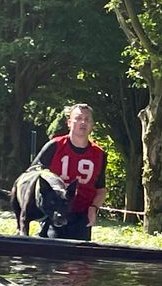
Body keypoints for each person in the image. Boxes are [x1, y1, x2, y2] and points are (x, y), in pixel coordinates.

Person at [32, 103, 108, 241]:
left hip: (81, 215)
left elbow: (101, 189)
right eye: (78, 118)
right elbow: (34, 173)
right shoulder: (54, 146)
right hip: (55, 213)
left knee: (79, 259)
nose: (83, 122)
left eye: (87, 119)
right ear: (69, 122)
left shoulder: (99, 154)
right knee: (52, 255)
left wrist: (94, 208)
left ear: (92, 125)